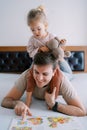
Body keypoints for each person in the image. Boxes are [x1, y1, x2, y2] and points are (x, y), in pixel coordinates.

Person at [1, 51, 86, 118]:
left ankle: (61, 58)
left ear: (53, 72)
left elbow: (82, 111)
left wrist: (54, 105)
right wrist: (17, 103)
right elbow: (5, 101)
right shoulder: (27, 75)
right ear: (33, 68)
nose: (39, 78)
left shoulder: (62, 80)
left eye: (45, 74)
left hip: (66, 73)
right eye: (36, 72)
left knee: (70, 75)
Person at [26, 5, 72, 77]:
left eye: (38, 29)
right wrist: (39, 50)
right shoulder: (32, 40)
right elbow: (30, 53)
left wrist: (62, 43)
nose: (36, 32)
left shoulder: (51, 36)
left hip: (53, 60)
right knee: (29, 75)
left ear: (45, 25)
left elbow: (59, 47)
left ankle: (61, 76)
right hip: (39, 61)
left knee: (67, 72)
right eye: (32, 30)